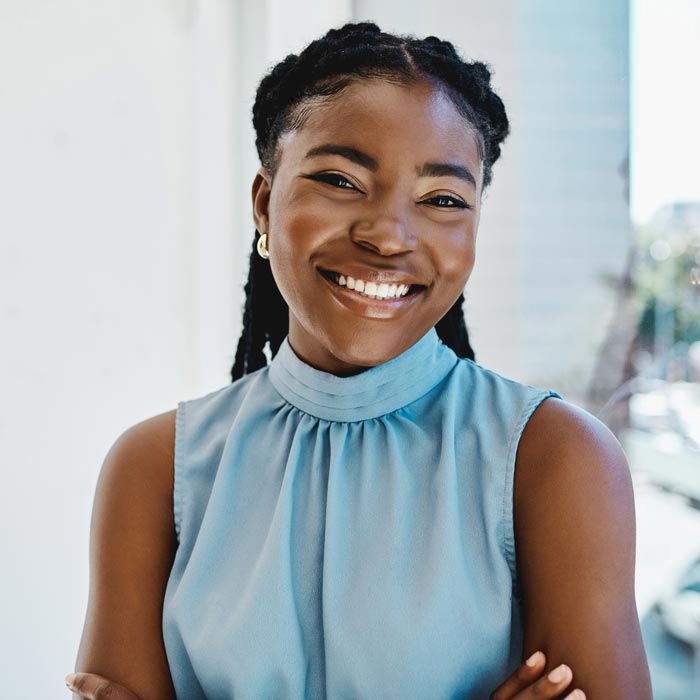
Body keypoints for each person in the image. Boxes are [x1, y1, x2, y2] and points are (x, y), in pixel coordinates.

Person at [66, 22, 652, 700]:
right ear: (264, 202)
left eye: (442, 199)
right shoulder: (153, 469)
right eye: (342, 180)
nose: (388, 235)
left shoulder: (554, 460)